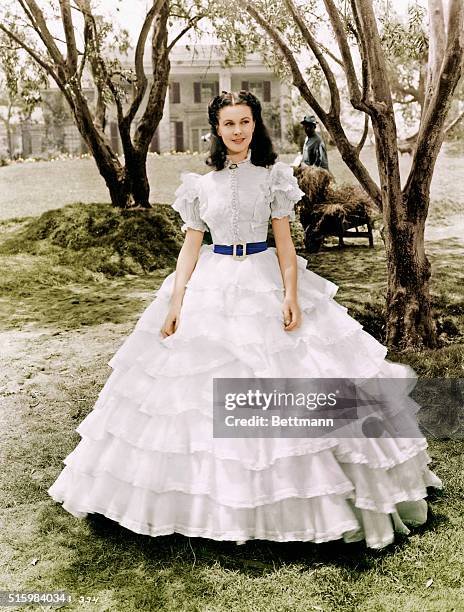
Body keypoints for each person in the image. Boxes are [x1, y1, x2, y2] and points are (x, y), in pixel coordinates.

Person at [47, 90, 442, 550]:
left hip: (263, 276)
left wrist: (291, 295)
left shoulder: (274, 178)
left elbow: (286, 246)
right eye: (229, 123)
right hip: (212, 283)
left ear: (256, 125)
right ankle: (205, 506)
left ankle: (302, 504)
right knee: (189, 395)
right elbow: (191, 247)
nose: (238, 130)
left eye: (245, 122)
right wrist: (177, 303)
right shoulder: (200, 185)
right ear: (216, 129)